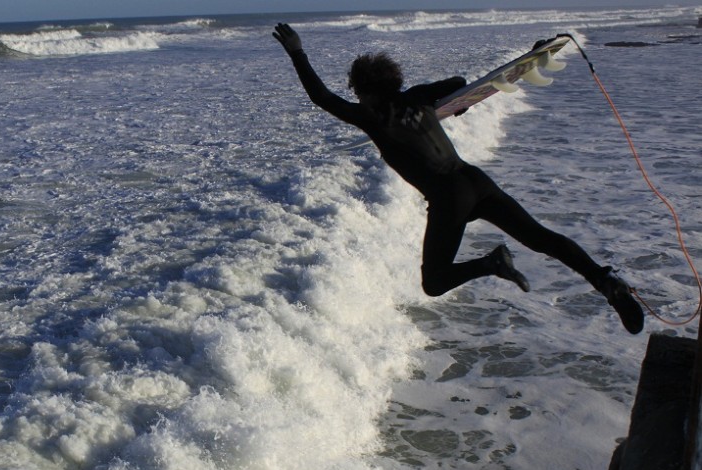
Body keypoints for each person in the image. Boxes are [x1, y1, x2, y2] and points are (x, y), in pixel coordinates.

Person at [272, 23, 644, 335]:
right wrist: (459, 101)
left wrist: (296, 53)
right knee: (542, 238)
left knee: (433, 283)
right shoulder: (419, 97)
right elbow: (464, 83)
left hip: (449, 198)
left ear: (366, 92)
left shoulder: (372, 118)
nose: (356, 96)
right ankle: (606, 282)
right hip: (476, 182)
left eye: (358, 91)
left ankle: (492, 264)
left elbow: (321, 96)